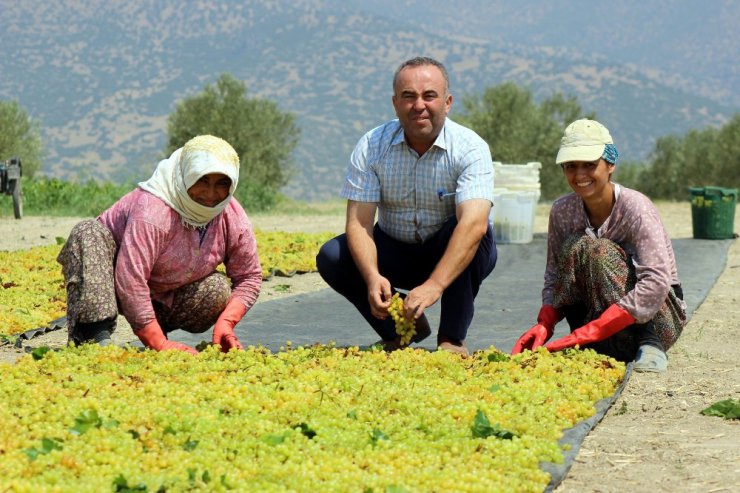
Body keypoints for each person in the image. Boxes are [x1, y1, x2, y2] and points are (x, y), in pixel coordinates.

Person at [316, 56, 497, 357]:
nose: (419, 105)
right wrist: (372, 276)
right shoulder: (372, 145)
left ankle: (452, 337)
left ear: (448, 102)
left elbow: (474, 224)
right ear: (395, 103)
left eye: (429, 96)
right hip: (395, 248)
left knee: (468, 232)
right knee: (332, 256)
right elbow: (359, 223)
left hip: (448, 249)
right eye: (408, 96)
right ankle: (402, 329)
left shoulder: (470, 148)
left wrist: (435, 285)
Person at [57, 135, 262, 354]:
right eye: (201, 181)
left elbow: (250, 276)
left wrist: (227, 323)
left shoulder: (231, 217)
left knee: (217, 289)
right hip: (109, 285)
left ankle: (158, 328)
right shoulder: (153, 210)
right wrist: (157, 343)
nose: (211, 194)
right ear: (185, 175)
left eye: (221, 184)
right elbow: (131, 279)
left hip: (164, 293)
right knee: (87, 231)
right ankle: (93, 335)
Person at [511, 119, 686, 372]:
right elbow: (554, 274)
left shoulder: (636, 208)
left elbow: (657, 280)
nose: (580, 175)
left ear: (610, 164)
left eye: (590, 165)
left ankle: (649, 344)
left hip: (656, 319)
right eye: (571, 166)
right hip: (595, 328)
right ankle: (588, 344)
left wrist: (595, 329)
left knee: (597, 250)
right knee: (576, 247)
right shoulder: (562, 211)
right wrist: (545, 323)